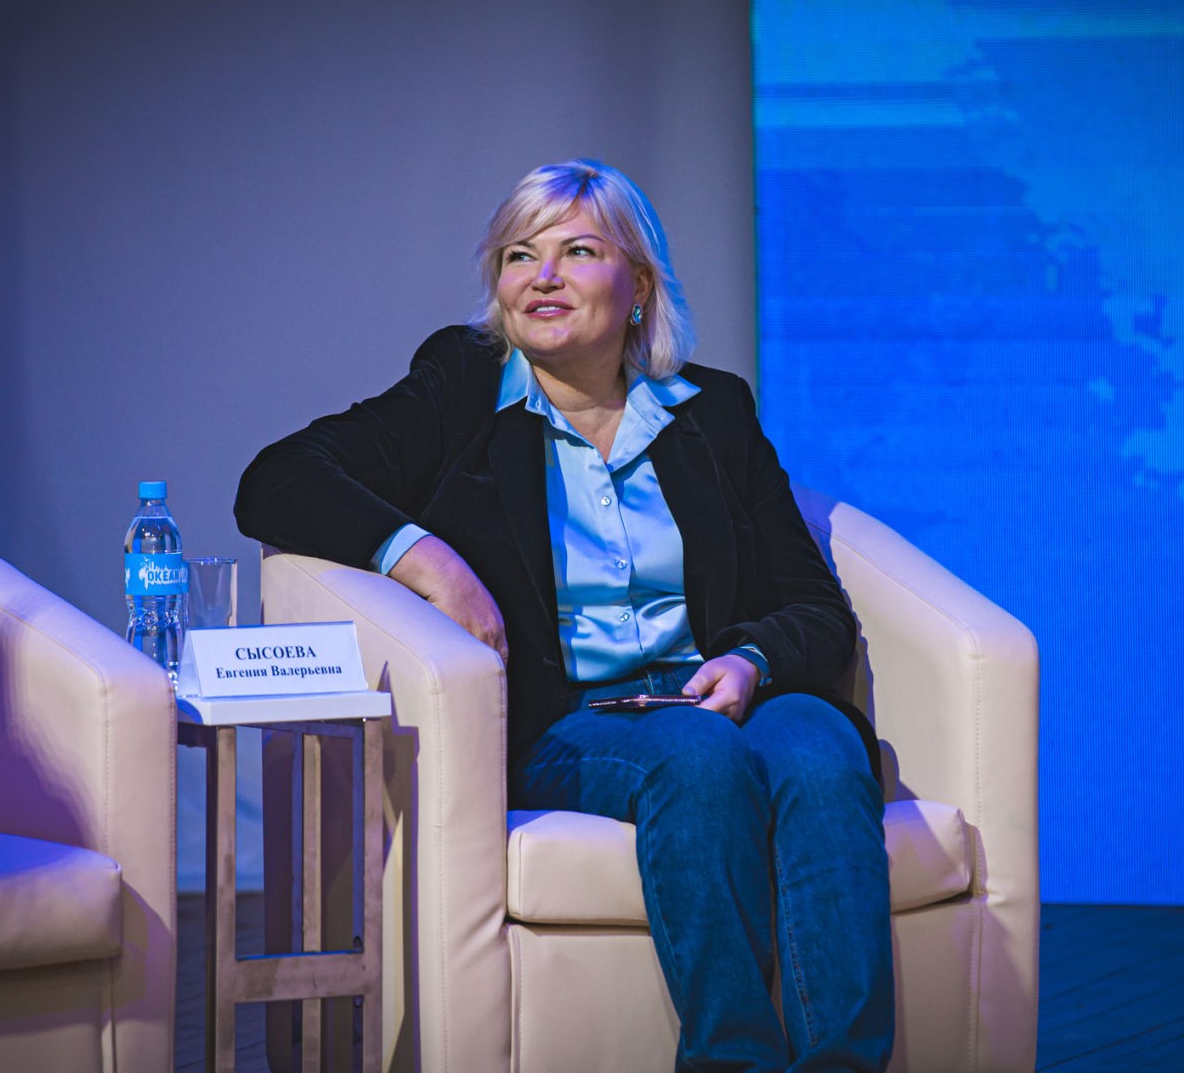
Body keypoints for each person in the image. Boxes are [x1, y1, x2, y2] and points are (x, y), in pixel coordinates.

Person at [235, 159, 893, 1072]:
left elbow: (812, 603)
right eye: (519, 255)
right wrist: (428, 558)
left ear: (639, 286)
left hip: (725, 692)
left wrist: (749, 660)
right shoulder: (462, 386)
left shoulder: (714, 412)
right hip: (572, 718)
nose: (541, 276)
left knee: (820, 750)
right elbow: (276, 479)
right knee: (698, 756)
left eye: (577, 251)